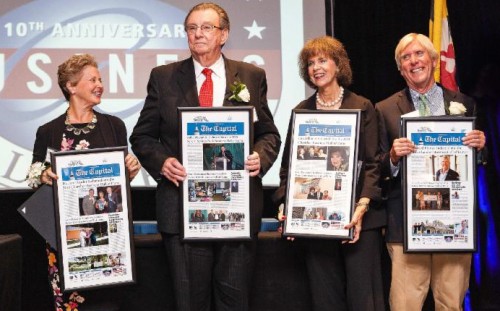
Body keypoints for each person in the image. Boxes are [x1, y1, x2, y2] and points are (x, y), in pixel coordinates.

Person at [129, 3, 281, 310]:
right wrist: (162, 162)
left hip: (235, 210)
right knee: (189, 302)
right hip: (183, 210)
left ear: (224, 34)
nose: (198, 34)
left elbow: (269, 135)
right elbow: (142, 136)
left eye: (206, 27)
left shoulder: (251, 76)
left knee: (235, 301)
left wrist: (258, 157)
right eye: (191, 28)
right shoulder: (164, 77)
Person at [375, 33, 486, 311]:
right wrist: (392, 157)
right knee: (405, 305)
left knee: (451, 304)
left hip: (454, 224)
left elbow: (475, 164)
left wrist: (481, 147)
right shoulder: (385, 109)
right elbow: (374, 166)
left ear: (434, 60)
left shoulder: (464, 104)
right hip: (406, 226)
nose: (414, 61)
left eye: (419, 54)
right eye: (406, 58)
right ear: (401, 68)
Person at [273, 36, 384, 311]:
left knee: (363, 299)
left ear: (338, 65)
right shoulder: (301, 111)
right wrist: (286, 204)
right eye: (310, 63)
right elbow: (290, 166)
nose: (316, 68)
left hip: (358, 221)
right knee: (325, 299)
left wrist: (362, 206)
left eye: (323, 60)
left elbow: (373, 163)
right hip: (317, 224)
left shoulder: (362, 106)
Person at [27, 53, 141, 310]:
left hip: (109, 235)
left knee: (108, 303)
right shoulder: (49, 131)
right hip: (64, 238)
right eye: (92, 80)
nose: (100, 84)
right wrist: (43, 175)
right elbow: (33, 174)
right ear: (71, 86)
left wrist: (131, 170)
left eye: (100, 79)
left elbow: (119, 183)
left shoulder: (114, 126)